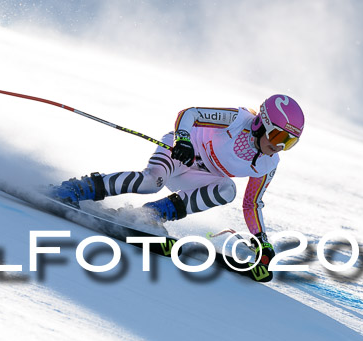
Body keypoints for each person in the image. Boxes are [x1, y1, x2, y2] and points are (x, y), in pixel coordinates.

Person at [49, 94, 305, 266]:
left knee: (227, 189)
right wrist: (182, 139)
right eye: (278, 136)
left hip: (200, 175)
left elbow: (252, 204)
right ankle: (75, 189)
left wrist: (261, 240)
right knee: (151, 182)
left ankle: (149, 216)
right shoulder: (238, 119)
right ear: (262, 123)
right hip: (182, 151)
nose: (280, 146)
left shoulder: (268, 163)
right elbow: (190, 113)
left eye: (289, 142)